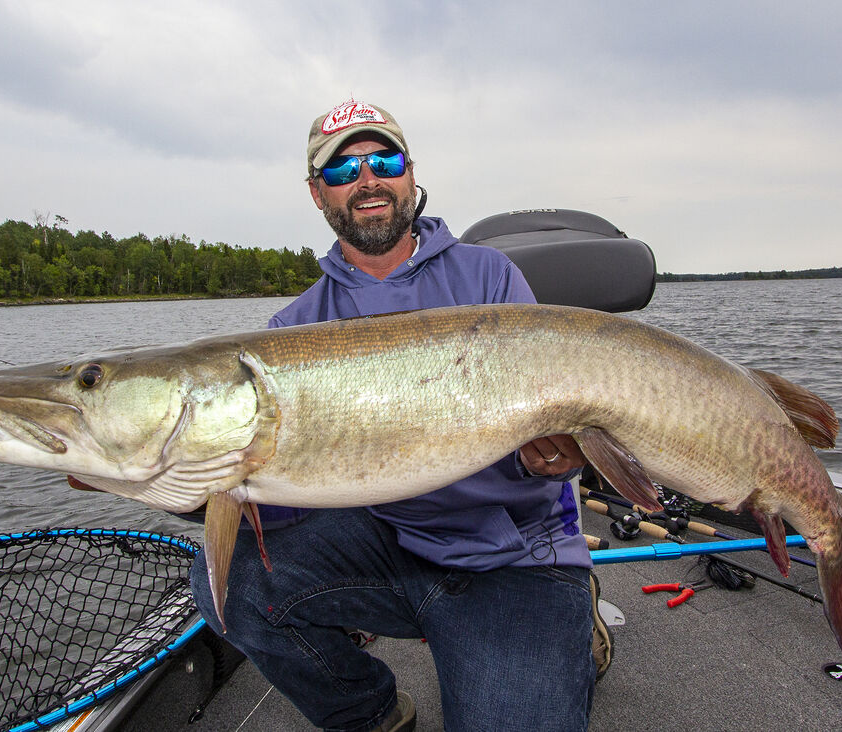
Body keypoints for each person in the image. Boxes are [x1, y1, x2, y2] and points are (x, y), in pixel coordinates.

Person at [190, 100, 607, 731]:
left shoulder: (489, 277)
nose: (367, 180)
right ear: (317, 194)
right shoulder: (291, 330)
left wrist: (538, 459)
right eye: (342, 169)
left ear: (409, 173)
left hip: (516, 558)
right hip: (388, 545)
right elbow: (291, 506)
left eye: (383, 159)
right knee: (227, 579)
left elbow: (546, 450)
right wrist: (200, 487)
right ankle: (369, 712)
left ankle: (574, 622)